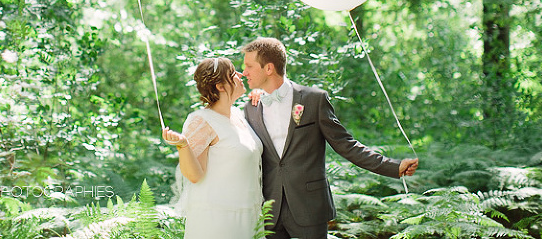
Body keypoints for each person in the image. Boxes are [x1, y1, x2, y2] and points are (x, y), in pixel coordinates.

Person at [241, 37, 419, 239]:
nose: (244, 72)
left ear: (269, 68)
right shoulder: (251, 108)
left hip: (309, 205)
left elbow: (346, 145)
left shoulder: (313, 100)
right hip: (270, 209)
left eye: (249, 66)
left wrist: (393, 166)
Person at [162, 57, 264, 239]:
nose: (240, 75)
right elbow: (194, 175)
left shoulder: (239, 115)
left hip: (248, 215)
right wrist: (182, 144)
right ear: (220, 86)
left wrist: (265, 96)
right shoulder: (201, 120)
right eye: (233, 73)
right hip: (218, 220)